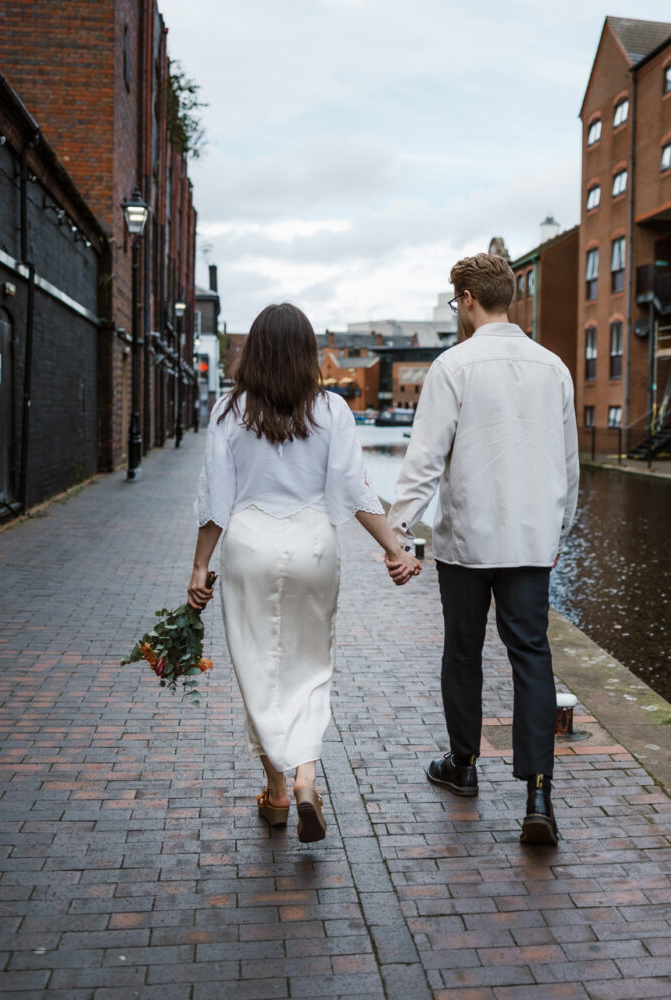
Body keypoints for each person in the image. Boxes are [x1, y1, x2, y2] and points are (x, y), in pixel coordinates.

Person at [188, 303, 420, 843]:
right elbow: (356, 490)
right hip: (314, 542)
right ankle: (305, 779)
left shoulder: (228, 411)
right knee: (311, 664)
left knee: (258, 669)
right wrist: (396, 548)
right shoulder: (332, 410)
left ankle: (274, 792)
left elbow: (215, 500)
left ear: (255, 352)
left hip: (249, 544)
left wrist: (200, 564)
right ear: (307, 352)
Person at [388, 252, 578, 845]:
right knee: (532, 658)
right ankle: (538, 794)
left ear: (468, 298)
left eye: (455, 302)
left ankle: (464, 766)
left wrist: (397, 532)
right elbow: (567, 467)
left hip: (469, 541)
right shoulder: (555, 369)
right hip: (529, 541)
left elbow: (424, 461)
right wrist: (558, 531)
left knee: (463, 652)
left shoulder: (454, 366)